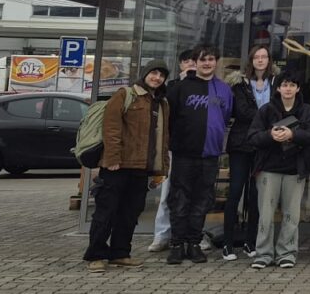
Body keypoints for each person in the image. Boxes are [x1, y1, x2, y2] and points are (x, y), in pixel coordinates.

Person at [83, 60, 171, 272]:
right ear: (145, 74)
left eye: (161, 75)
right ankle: (96, 254)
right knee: (106, 212)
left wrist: (161, 168)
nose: (157, 78)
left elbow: (162, 137)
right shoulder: (125, 94)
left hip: (142, 168)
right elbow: (111, 128)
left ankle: (120, 253)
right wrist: (112, 159)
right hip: (117, 166)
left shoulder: (162, 103)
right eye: (154, 73)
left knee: (130, 213)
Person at [163, 45, 235, 264]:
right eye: (202, 60)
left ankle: (194, 243)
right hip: (184, 153)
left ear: (216, 62)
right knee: (180, 200)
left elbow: (226, 115)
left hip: (210, 155)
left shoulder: (224, 89)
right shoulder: (180, 88)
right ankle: (177, 243)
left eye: (211, 59)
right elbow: (170, 118)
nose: (207, 63)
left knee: (202, 201)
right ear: (195, 62)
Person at [247, 74, 310, 269]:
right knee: (265, 214)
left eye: (292, 84)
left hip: (295, 170)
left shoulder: (307, 111)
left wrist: (293, 134)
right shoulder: (266, 110)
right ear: (278, 88)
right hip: (268, 169)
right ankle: (263, 253)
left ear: (298, 88)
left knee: (292, 214)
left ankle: (286, 253)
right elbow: (253, 137)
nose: (288, 88)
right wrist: (270, 135)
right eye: (284, 85)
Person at [222, 44, 275, 260]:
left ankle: (250, 241)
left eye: (264, 57)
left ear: (269, 60)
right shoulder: (239, 84)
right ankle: (227, 243)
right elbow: (242, 112)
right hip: (241, 144)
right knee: (235, 191)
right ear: (251, 60)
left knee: (256, 195)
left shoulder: (276, 83)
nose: (261, 60)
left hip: (264, 144)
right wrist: (268, 117)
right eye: (257, 57)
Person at [148, 49, 197, 253]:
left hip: (196, 148)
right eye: (186, 62)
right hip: (173, 148)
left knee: (194, 194)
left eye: (194, 61)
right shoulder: (171, 87)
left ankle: (192, 235)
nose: (191, 65)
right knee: (168, 194)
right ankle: (162, 235)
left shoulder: (207, 86)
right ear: (180, 66)